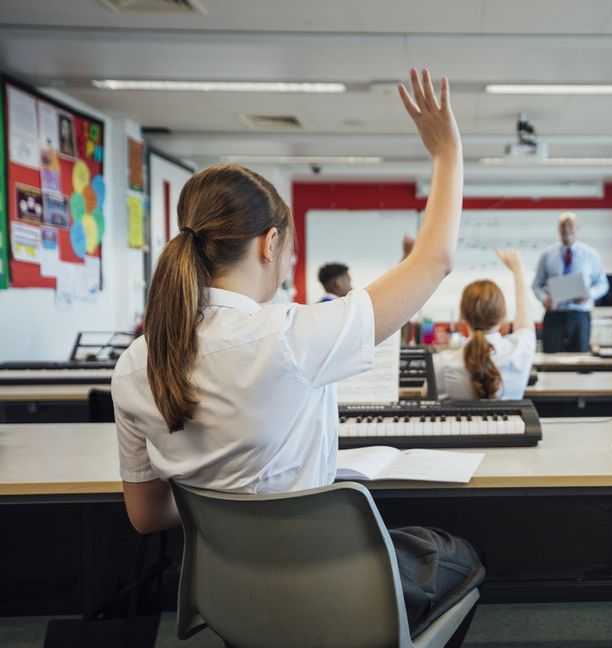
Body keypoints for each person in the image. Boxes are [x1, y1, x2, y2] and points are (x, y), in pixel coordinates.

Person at [110, 69, 481, 644]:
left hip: (232, 602)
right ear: (270, 243)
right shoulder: (288, 335)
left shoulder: (137, 362)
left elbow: (146, 515)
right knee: (457, 553)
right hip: (334, 603)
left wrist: (231, 495)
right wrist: (448, 151)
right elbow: (433, 262)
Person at [432, 248, 535, 400]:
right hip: (511, 425)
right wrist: (517, 269)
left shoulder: (441, 364)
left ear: (462, 317)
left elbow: (426, 401)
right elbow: (525, 317)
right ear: (503, 317)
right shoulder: (520, 349)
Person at [532, 212, 609, 352]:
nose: (566, 229)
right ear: (558, 228)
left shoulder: (591, 254)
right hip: (554, 315)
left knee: (580, 360)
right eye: (563, 225)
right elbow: (536, 285)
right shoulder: (547, 255)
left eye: (570, 225)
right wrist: (545, 300)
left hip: (579, 315)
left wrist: (589, 294)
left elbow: (603, 284)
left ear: (578, 227)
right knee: (550, 359)